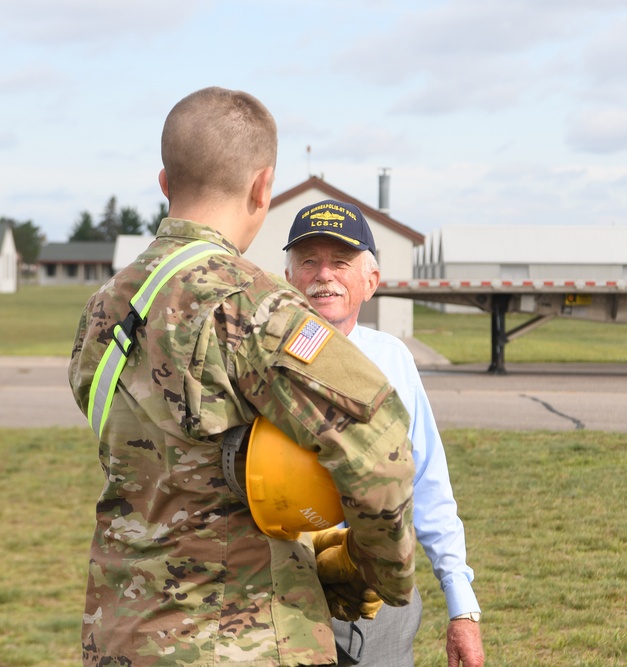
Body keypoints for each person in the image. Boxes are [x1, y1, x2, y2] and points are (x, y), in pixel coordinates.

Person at [68, 88, 416, 667]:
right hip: (241, 640)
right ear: (263, 186)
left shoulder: (102, 309)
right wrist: (372, 574)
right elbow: (380, 452)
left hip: (119, 633)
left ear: (164, 182)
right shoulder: (254, 305)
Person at [284, 199, 485, 667]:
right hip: (280, 598)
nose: (323, 275)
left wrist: (462, 606)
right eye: (309, 261)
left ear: (370, 281)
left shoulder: (393, 359)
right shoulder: (253, 360)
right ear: (288, 277)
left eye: (341, 262)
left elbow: (430, 482)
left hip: (378, 604)